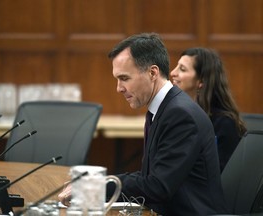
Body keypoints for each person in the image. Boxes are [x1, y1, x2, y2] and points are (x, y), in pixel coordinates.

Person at [58, 33, 227, 215]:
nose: (119, 88)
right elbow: (149, 178)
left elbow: (157, 187)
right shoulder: (163, 108)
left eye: (124, 78)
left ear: (152, 73)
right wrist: (94, 183)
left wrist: (94, 188)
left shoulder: (180, 114)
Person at [170, 47, 246, 172]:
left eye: (182, 69)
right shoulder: (178, 115)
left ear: (201, 81)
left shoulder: (225, 123)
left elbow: (222, 176)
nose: (173, 72)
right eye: (176, 66)